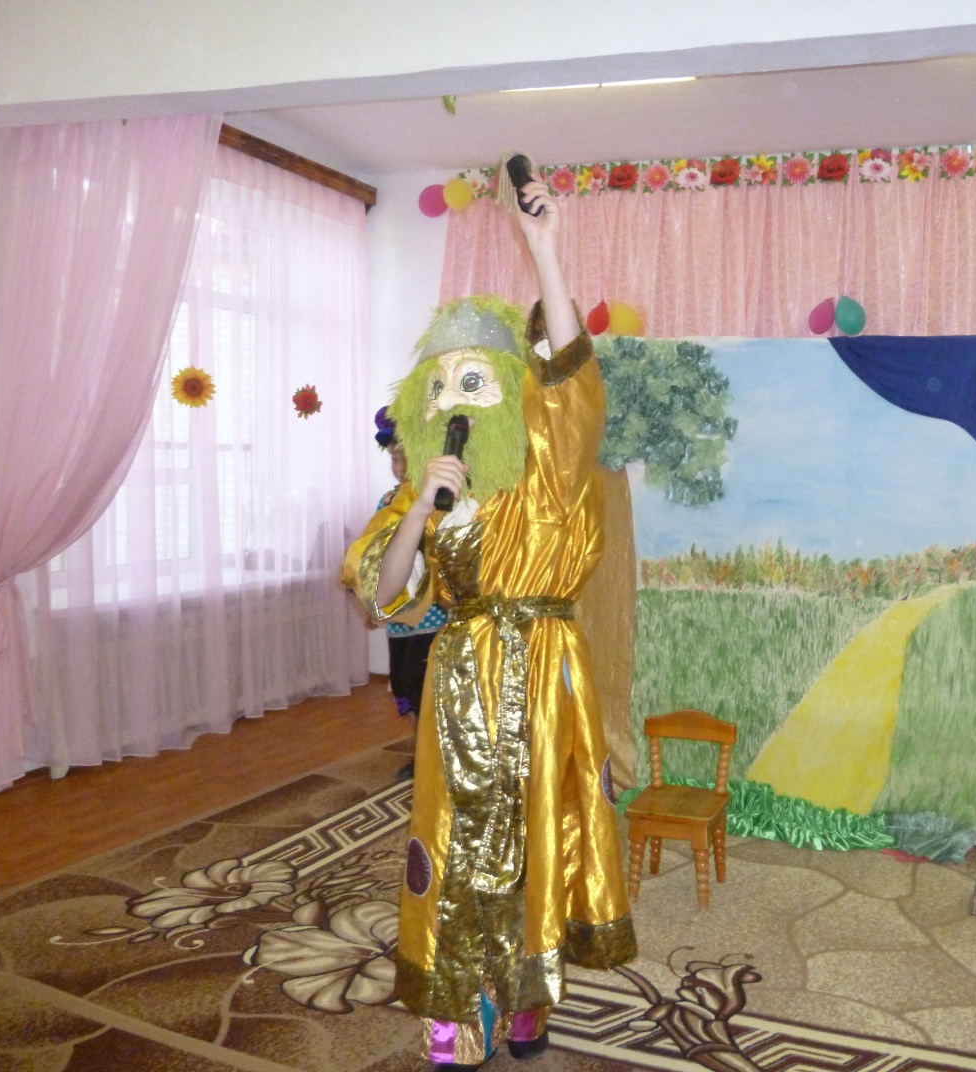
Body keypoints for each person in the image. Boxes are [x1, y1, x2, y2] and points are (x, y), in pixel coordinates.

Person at [341, 169, 635, 1070]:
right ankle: (455, 1001)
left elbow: (572, 376)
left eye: (477, 380)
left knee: (542, 829)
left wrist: (545, 248)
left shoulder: (552, 469)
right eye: (443, 387)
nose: (459, 399)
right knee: (456, 834)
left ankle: (527, 993)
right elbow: (384, 593)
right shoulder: (423, 491)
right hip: (463, 670)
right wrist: (421, 510)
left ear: (512, 391)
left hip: (546, 667)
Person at [373, 410, 446, 782]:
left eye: (404, 458)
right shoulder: (388, 500)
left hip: (432, 616)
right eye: (393, 459)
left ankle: (434, 757)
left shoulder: (439, 501)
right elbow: (373, 553)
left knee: (424, 688)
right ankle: (420, 751)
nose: (399, 467)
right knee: (402, 685)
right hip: (399, 618)